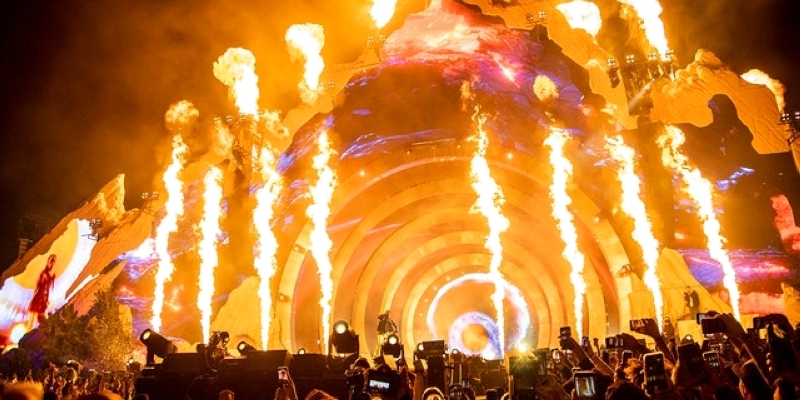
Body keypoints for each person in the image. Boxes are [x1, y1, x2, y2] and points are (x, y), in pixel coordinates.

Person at [29, 254, 57, 328]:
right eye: (50, 261)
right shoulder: (44, 273)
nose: (51, 263)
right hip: (38, 298)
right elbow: (39, 285)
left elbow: (48, 287)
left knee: (45, 320)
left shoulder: (50, 274)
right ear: (48, 261)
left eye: (53, 262)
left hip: (44, 299)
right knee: (32, 321)